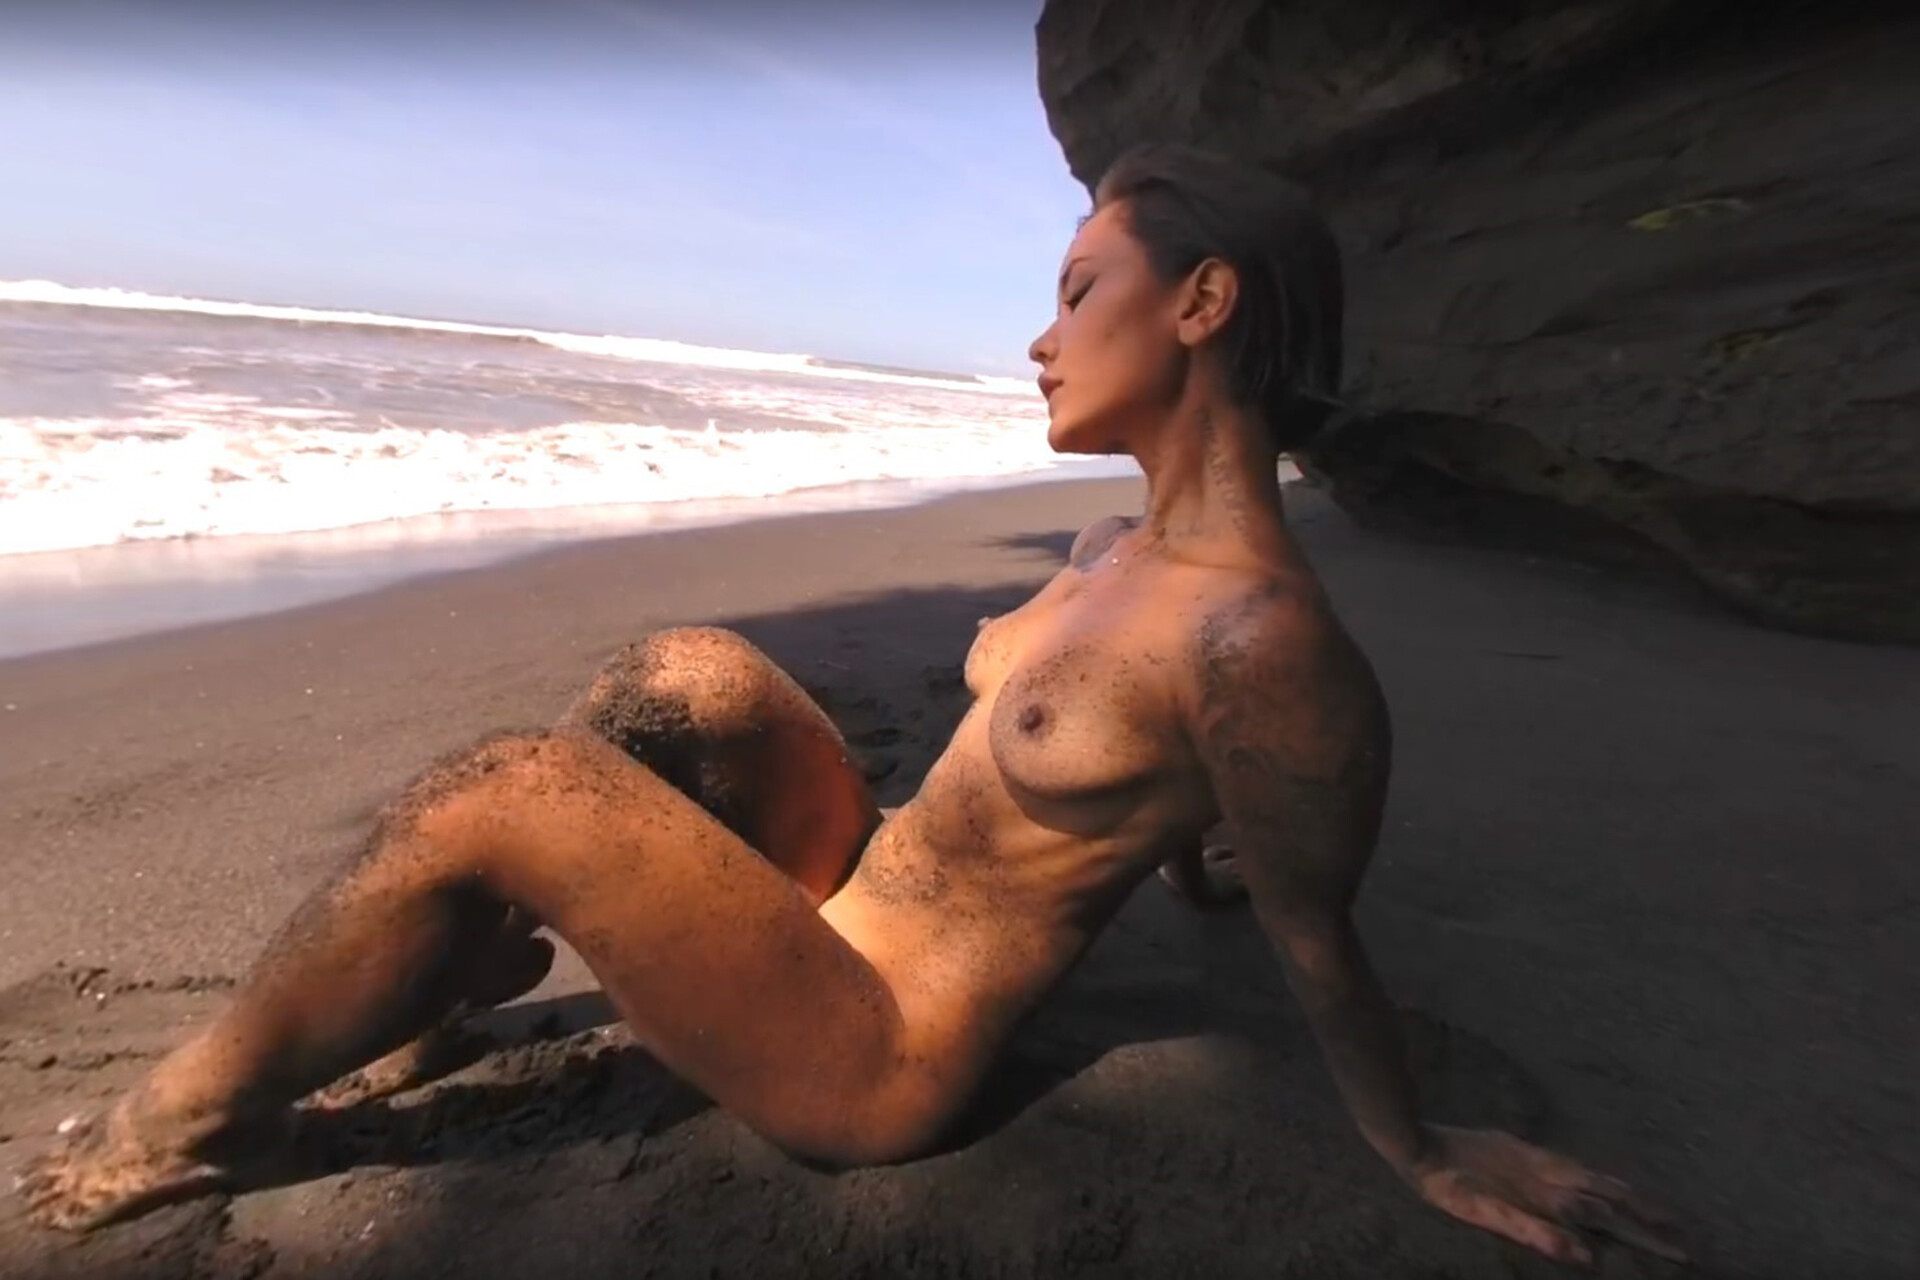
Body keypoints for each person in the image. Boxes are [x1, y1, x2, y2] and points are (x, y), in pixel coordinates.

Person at [18, 144, 1682, 1267]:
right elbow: (1177, 800)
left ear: (1202, 302)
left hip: (878, 1043)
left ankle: (182, 1122)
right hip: (856, 884)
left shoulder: (1267, 646)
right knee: (687, 671)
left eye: (1079, 290)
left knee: (508, 783)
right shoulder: (1111, 552)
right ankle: (440, 987)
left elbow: (1319, 936)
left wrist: (1421, 1148)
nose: (1040, 340)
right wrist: (1188, 856)